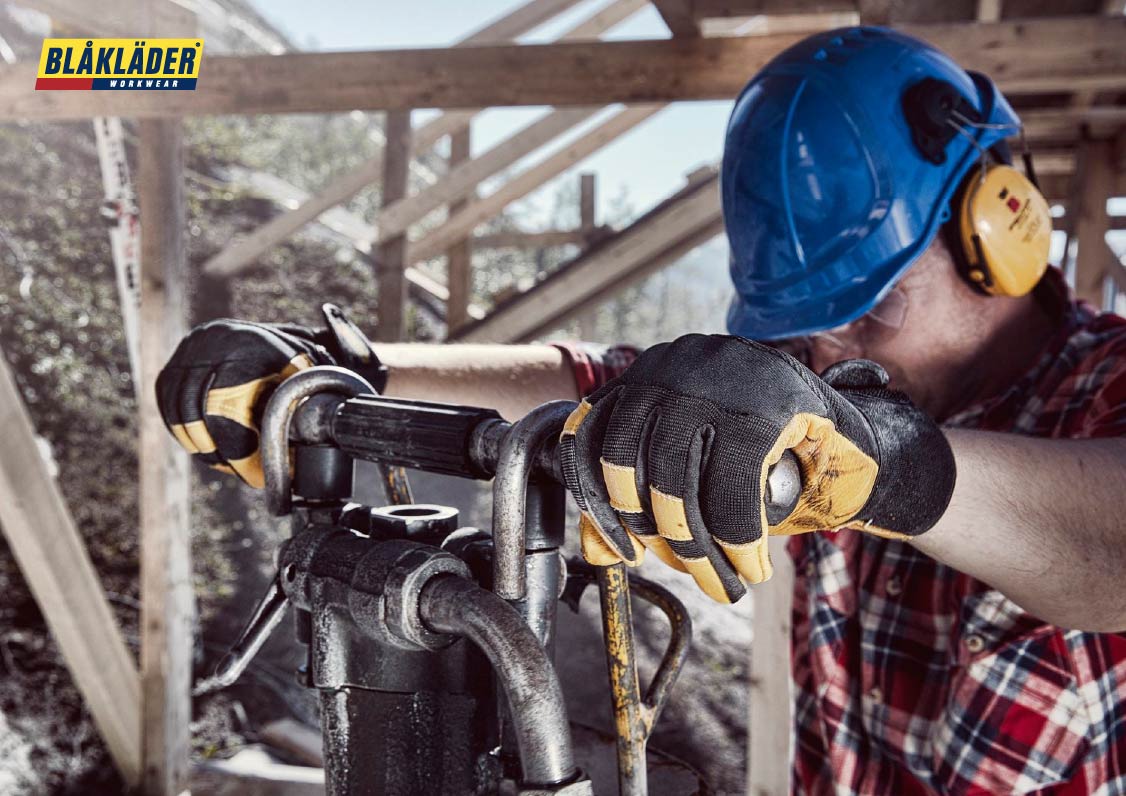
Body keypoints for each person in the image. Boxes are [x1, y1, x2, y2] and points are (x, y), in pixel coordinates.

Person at [157, 27, 1126, 795]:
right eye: (803, 327)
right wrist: (348, 367)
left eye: (868, 306)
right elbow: (595, 383)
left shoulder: (1103, 385)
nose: (828, 357)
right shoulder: (830, 399)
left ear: (1000, 224)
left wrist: (894, 461)